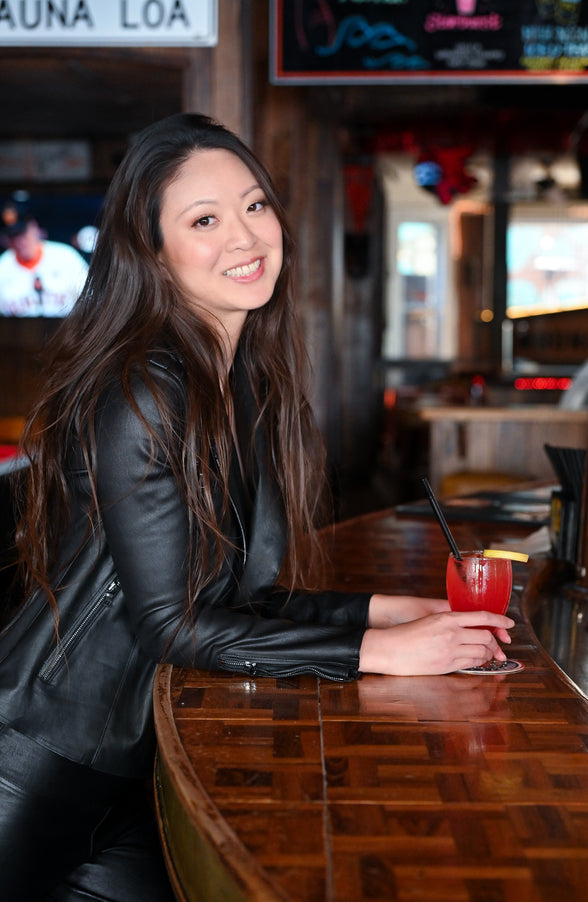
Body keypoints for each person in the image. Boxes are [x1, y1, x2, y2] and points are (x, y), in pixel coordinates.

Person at [0, 113, 513, 900]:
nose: (244, 236)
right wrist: (380, 654)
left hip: (132, 764)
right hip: (36, 766)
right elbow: (170, 622)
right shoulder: (147, 387)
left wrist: (390, 611)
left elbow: (238, 597)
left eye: (255, 206)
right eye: (204, 220)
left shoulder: (241, 384)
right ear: (153, 252)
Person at [0, 202, 89, 316]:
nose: (19, 241)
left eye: (22, 233)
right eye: (12, 236)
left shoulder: (66, 257)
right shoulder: (2, 268)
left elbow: (93, 299)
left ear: (34, 227)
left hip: (67, 330)